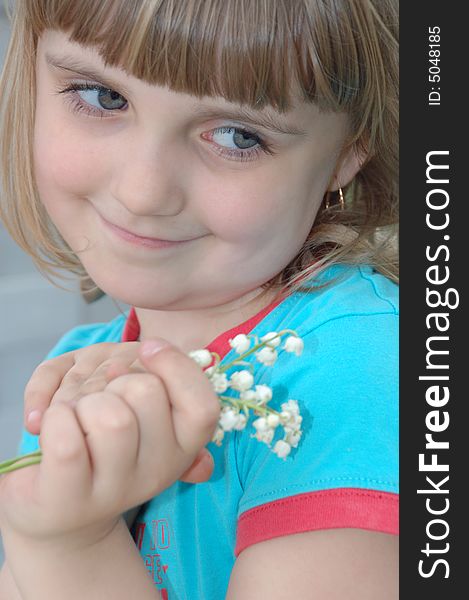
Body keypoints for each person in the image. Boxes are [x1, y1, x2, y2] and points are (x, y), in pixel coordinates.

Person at [0, 0, 399, 598]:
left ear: (348, 151)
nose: (141, 191)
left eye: (237, 135)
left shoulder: (361, 374)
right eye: (103, 97)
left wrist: (71, 546)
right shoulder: (80, 369)